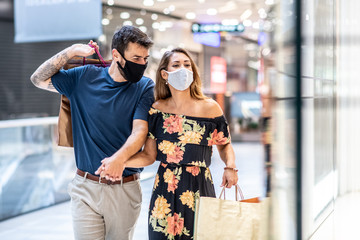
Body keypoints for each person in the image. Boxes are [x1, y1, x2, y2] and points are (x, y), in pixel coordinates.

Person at [97, 48, 239, 240]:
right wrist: (120, 162)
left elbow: (224, 143)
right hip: (165, 189)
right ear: (164, 73)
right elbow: (149, 156)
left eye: (187, 65)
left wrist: (230, 166)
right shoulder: (157, 110)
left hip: (200, 188)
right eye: (176, 65)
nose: (183, 69)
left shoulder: (210, 107)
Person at [30, 25, 154, 240]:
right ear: (116, 55)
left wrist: (119, 160)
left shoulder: (145, 87)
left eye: (145, 58)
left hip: (124, 188)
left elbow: (140, 131)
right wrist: (71, 51)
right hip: (84, 186)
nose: (142, 64)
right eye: (136, 58)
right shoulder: (83, 77)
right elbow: (38, 79)